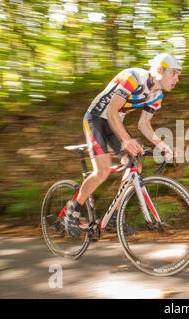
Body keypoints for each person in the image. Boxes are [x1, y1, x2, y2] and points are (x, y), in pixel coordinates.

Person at [64, 53, 182, 237]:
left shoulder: (157, 95)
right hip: (96, 119)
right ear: (159, 71)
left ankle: (115, 216)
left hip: (113, 124)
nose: (177, 79)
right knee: (101, 171)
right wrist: (126, 139)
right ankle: (74, 207)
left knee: (136, 164)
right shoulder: (133, 77)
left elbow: (143, 124)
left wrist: (162, 145)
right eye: (173, 73)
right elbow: (111, 110)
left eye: (179, 75)